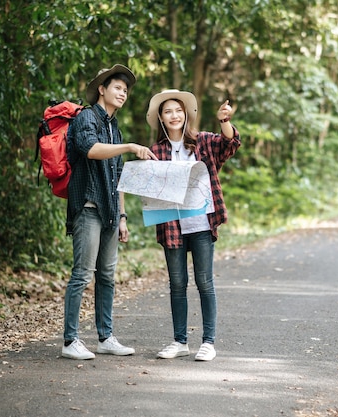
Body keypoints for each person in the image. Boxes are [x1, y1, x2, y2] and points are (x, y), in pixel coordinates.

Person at [62, 64, 158, 360]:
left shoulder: (115, 128)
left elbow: (119, 178)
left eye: (126, 90)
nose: (123, 93)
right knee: (82, 274)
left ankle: (105, 337)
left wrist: (123, 216)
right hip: (88, 207)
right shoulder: (86, 118)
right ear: (102, 89)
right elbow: (90, 149)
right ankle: (70, 341)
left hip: (111, 212)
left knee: (107, 275)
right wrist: (129, 146)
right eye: (117, 87)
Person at [146, 89, 240, 361]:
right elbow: (150, 189)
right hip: (172, 225)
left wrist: (224, 121)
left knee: (204, 282)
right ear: (161, 119)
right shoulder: (156, 152)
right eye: (168, 112)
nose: (174, 115)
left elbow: (229, 145)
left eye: (178, 110)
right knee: (177, 283)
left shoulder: (204, 142)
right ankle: (179, 341)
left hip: (201, 223)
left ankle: (208, 342)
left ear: (185, 114)